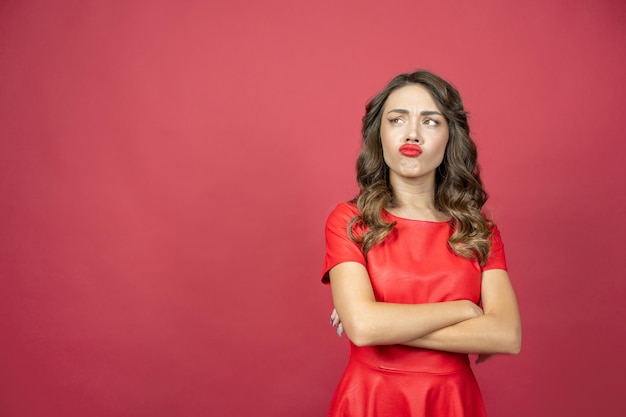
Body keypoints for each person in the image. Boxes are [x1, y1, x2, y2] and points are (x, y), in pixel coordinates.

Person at [321, 69, 521, 417]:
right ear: (379, 134)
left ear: (450, 137)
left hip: (452, 401)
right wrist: (464, 311)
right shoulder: (350, 221)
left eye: (430, 122)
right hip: (372, 399)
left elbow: (506, 335)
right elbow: (364, 326)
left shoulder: (478, 231)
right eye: (397, 119)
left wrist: (381, 325)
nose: (412, 132)